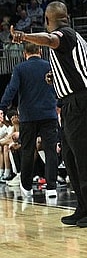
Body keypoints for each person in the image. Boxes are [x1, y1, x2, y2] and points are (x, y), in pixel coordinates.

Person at [9, 1, 87, 227]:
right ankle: (84, 206)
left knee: (85, 157)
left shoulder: (63, 35)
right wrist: (54, 77)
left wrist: (24, 36)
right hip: (71, 102)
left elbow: (49, 40)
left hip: (81, 101)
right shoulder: (72, 38)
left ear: (48, 20)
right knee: (71, 157)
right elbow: (72, 68)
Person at [0, 42, 59, 199]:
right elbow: (59, 88)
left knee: (27, 150)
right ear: (40, 51)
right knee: (50, 150)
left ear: (24, 54)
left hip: (28, 116)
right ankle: (51, 187)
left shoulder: (20, 68)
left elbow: (12, 89)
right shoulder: (50, 66)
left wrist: (2, 107)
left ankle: (26, 187)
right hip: (49, 114)